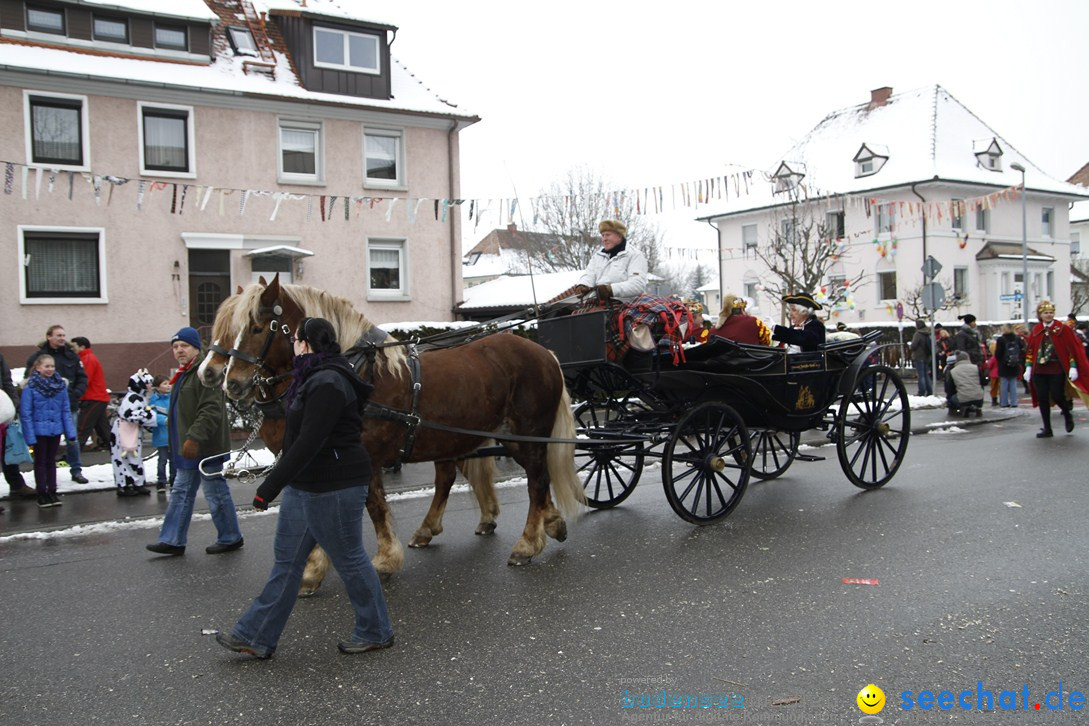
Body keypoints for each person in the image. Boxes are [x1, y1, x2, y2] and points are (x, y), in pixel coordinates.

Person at [216, 317, 394, 659]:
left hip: (335, 484)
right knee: (287, 563)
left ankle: (376, 630)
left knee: (351, 560)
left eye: (296, 339)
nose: (293, 345)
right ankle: (255, 636)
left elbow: (310, 441)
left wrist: (269, 486)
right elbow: (295, 437)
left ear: (307, 343)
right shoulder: (309, 377)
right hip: (306, 483)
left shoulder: (328, 380)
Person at [147, 327, 243, 556]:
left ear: (196, 348)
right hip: (187, 447)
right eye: (175, 347)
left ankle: (230, 537)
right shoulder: (184, 372)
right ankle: (173, 540)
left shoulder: (205, 372)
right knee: (181, 491)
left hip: (205, 446)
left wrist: (194, 438)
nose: (179, 350)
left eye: (184, 346)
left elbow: (210, 410)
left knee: (215, 492)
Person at [26, 326, 88, 484]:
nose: (62, 338)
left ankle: (76, 470)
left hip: (68, 405)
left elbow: (82, 378)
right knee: (45, 446)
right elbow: (29, 378)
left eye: (63, 335)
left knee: (72, 439)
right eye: (58, 335)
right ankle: (45, 477)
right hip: (44, 410)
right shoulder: (38, 357)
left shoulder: (71, 356)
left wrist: (75, 394)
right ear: (49, 337)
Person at [1024, 300, 1089, 438]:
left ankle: (1067, 413)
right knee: (1042, 398)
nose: (1048, 315)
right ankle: (1047, 428)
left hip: (1056, 368)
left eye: (1051, 312)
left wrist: (1073, 367)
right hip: (1039, 370)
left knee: (1057, 395)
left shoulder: (1063, 329)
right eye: (1045, 313)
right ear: (1040, 315)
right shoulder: (1036, 330)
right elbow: (1030, 350)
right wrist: (1028, 368)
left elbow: (1071, 349)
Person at [19, 355, 77, 507]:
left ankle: (52, 491)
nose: (50, 369)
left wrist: (70, 432)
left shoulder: (60, 386)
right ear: (38, 368)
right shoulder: (30, 387)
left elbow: (65, 410)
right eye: (47, 366)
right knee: (40, 462)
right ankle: (41, 493)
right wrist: (30, 436)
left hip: (55, 430)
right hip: (38, 431)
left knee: (51, 461)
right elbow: (26, 414)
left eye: (52, 366)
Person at [572, 219, 648, 304]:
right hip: (600, 304)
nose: (604, 239)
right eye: (603, 235)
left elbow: (637, 285)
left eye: (608, 235)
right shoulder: (597, 256)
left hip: (627, 306)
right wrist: (583, 285)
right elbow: (589, 275)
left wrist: (610, 290)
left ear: (619, 235)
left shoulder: (635, 255)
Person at [110, 369, 156, 497]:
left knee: (135, 457)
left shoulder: (140, 398)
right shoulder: (132, 398)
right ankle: (123, 485)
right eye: (148, 383)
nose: (150, 386)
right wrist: (151, 417)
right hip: (122, 430)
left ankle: (137, 482)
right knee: (121, 457)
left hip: (134, 430)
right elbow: (128, 414)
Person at [1, 352, 35, 500]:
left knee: (7, 450)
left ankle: (17, 485)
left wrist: (13, 404)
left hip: (2, 411)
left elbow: (6, 381)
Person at [71, 336, 111, 452]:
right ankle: (119, 453)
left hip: (93, 398)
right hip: (97, 398)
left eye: (74, 346)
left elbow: (84, 380)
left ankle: (72, 457)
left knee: (82, 428)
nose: (72, 349)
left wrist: (76, 395)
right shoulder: (88, 358)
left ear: (82, 347)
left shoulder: (87, 359)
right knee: (104, 430)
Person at [149, 375, 173, 492]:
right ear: (157, 387)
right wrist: (164, 420)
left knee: (173, 460)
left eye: (168, 383)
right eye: (164, 384)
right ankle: (161, 482)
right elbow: (151, 414)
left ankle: (174, 480)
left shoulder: (172, 397)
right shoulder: (154, 400)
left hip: (173, 435)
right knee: (162, 460)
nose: (168, 385)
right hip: (161, 435)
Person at [945, 351, 984, 417]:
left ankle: (962, 408)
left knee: (952, 398)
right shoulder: (976, 368)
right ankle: (978, 407)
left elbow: (949, 388)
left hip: (962, 399)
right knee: (980, 390)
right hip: (978, 398)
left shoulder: (953, 371)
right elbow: (983, 382)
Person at [994, 324, 1022, 408]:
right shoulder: (1017, 338)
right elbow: (1020, 349)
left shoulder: (1001, 339)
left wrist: (1000, 360)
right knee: (1013, 384)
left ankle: (1004, 402)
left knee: (1004, 384)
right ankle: (1014, 402)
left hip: (1003, 364)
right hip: (1014, 364)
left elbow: (998, 353)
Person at [909, 319, 933, 396]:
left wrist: (910, 346)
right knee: (926, 374)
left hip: (919, 356)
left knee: (921, 375)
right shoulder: (928, 333)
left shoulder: (918, 334)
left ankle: (922, 392)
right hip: (927, 356)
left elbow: (913, 346)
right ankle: (929, 391)